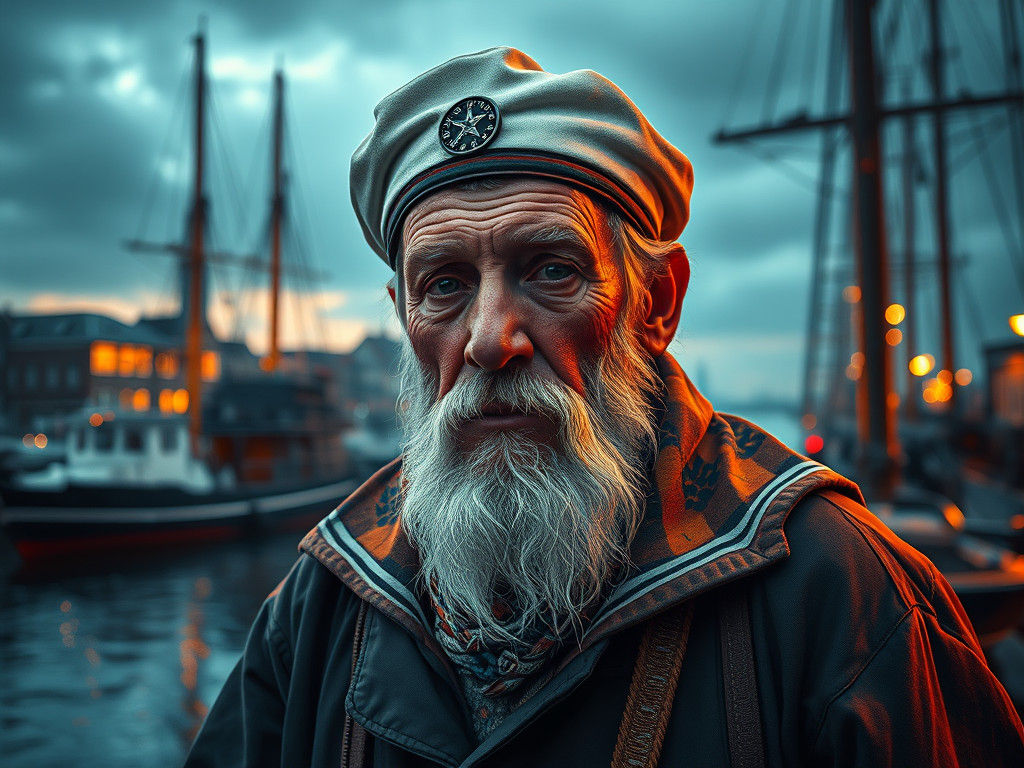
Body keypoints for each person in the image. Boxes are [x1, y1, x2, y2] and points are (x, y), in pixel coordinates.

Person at [184, 48, 1024, 767]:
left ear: (656, 301)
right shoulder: (324, 603)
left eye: (550, 270)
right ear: (404, 318)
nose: (487, 339)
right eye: (443, 286)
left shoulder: (839, 593)